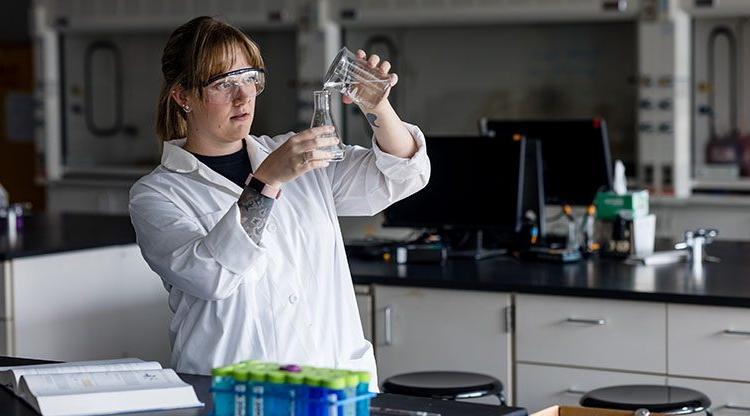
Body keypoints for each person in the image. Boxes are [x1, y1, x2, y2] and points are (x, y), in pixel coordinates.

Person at [129, 16, 430, 390]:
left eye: (249, 78)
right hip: (239, 390)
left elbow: (402, 176)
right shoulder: (158, 194)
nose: (243, 97)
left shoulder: (300, 156)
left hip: (332, 381)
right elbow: (212, 277)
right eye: (223, 83)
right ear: (182, 95)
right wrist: (267, 180)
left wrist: (378, 108)